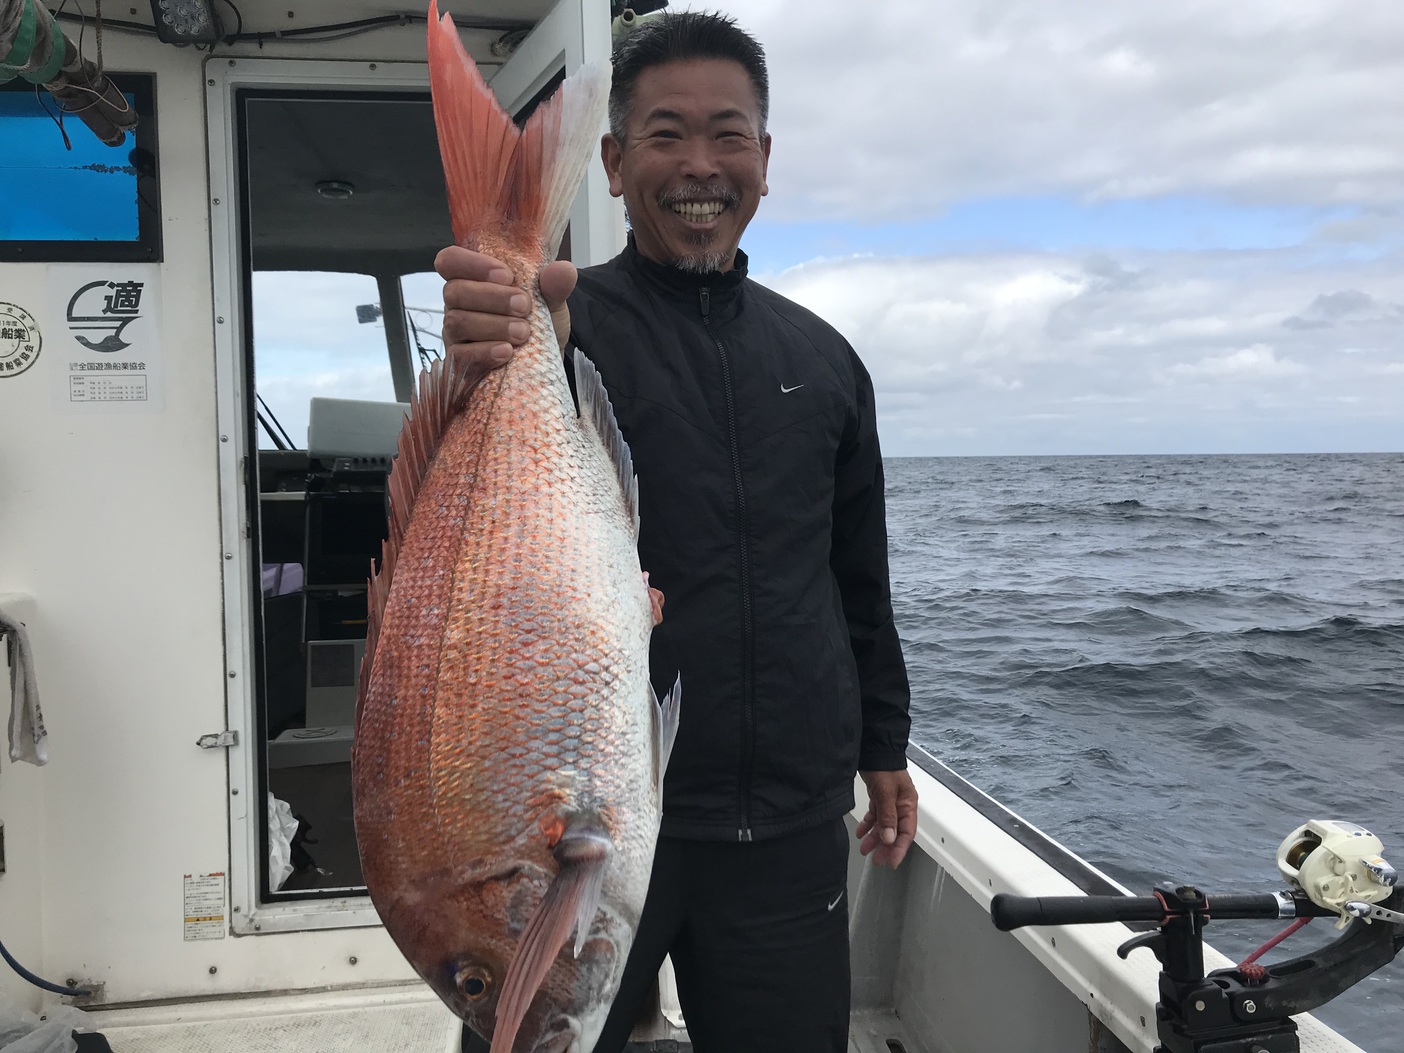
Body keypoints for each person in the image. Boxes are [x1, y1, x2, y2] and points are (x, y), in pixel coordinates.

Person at [438, 12, 917, 1052]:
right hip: (579, 823)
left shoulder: (825, 360)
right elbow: (474, 522)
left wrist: (884, 744)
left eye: (727, 133)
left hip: (783, 821)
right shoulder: (564, 327)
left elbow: (856, 578)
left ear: (764, 158)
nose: (699, 166)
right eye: (664, 136)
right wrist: (487, 339)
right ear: (612, 164)